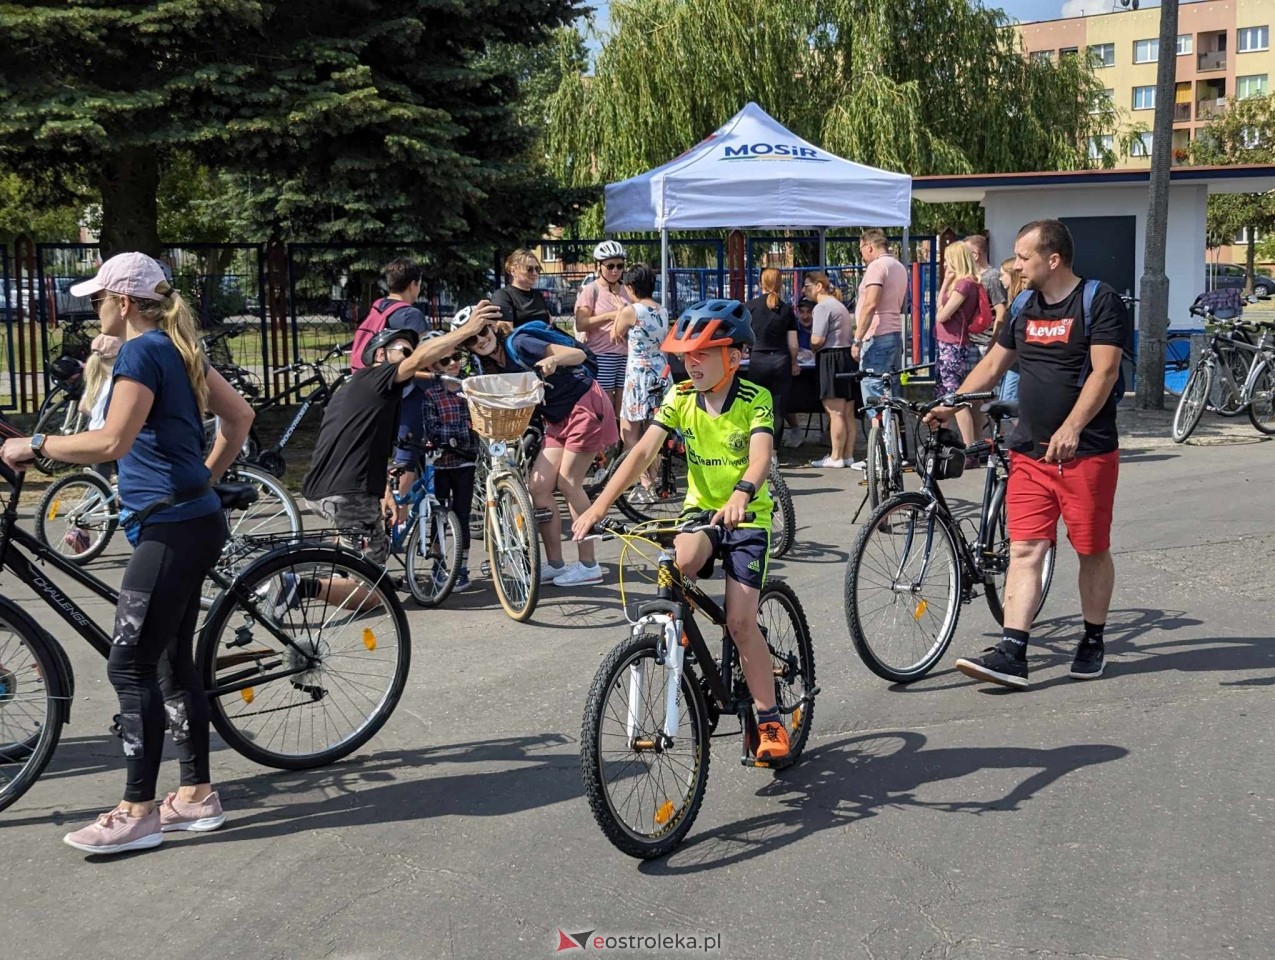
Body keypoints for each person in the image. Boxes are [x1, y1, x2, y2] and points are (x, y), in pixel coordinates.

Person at [1, 251, 255, 855]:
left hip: (171, 529)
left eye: (96, 301)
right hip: (186, 520)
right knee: (169, 661)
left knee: (131, 665)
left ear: (121, 302)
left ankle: (138, 811)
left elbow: (111, 440)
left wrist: (34, 444)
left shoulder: (145, 351)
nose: (92, 311)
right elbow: (240, 418)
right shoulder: (173, 347)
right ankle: (196, 796)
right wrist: (201, 484)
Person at [571, 299, 790, 762]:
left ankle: (769, 718)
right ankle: (681, 654)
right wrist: (596, 506)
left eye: (703, 354)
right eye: (686, 355)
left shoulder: (755, 399)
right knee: (678, 565)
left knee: (739, 619)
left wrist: (742, 493)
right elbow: (640, 455)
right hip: (701, 515)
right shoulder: (681, 397)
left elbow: (761, 456)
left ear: (733, 357)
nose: (691, 363)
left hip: (748, 517)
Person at [926, 219, 1132, 690]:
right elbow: (995, 364)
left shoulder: (1098, 301)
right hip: (1029, 453)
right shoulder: (1022, 304)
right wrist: (952, 401)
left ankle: (1093, 637)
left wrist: (1073, 427)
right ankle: (1013, 651)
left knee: (1091, 549)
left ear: (1052, 259)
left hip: (1087, 453)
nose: (1015, 265)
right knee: (1024, 547)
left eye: (1023, 257)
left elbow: (1104, 372)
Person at [303, 302, 500, 589]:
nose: (413, 358)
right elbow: (419, 360)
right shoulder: (377, 375)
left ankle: (344, 574)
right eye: (405, 351)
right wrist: (468, 331)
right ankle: (296, 585)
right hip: (347, 495)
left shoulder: (364, 392)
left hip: (324, 490)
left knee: (363, 561)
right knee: (371, 591)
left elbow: (369, 447)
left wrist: (385, 492)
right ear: (381, 355)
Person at [468, 316, 619, 586]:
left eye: (482, 332)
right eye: (471, 339)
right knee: (538, 486)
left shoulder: (521, 342)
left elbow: (577, 354)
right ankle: (556, 564)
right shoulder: (492, 366)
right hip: (555, 418)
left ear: (491, 326)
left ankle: (589, 565)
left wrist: (553, 360)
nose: (480, 340)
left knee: (569, 482)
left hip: (583, 404)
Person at [420, 347, 478, 593]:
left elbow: (476, 425)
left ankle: (461, 567)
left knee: (463, 515)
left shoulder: (469, 389)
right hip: (440, 465)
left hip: (465, 464)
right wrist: (460, 436)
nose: (454, 363)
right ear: (435, 367)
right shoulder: (431, 395)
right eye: (446, 360)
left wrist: (456, 437)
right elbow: (433, 429)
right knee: (438, 517)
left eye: (457, 358)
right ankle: (440, 564)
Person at [613, 264, 669, 500]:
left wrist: (619, 310)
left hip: (638, 375)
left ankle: (643, 482)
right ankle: (652, 482)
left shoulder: (631, 310)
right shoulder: (662, 310)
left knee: (629, 432)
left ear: (630, 286)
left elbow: (614, 335)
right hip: (661, 372)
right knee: (654, 432)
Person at [804, 271, 860, 469]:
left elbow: (817, 339)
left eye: (807, 286)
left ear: (818, 286)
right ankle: (848, 455)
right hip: (846, 357)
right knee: (848, 411)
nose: (805, 290)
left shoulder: (822, 307)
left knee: (835, 411)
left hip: (831, 358)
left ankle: (836, 456)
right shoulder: (840, 306)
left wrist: (810, 346)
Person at [850, 230, 908, 418]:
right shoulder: (898, 266)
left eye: (861, 249)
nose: (861, 255)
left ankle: (880, 441)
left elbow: (871, 303)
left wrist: (857, 339)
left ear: (869, 246)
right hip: (894, 334)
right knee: (892, 391)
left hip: (876, 336)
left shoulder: (877, 266)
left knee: (873, 393)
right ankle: (896, 440)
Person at [744, 268, 800, 452]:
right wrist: (793, 363)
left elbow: (743, 337)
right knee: (777, 410)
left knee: (756, 407)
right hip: (780, 361)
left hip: (758, 361)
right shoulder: (786, 310)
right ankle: (774, 453)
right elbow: (793, 344)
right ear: (780, 284)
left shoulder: (750, 307)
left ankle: (756, 449)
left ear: (761, 283)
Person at [574, 240, 632, 415]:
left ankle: (621, 440)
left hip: (626, 353)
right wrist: (610, 316)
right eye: (610, 266)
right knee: (604, 402)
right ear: (599, 266)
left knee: (623, 401)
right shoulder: (592, 290)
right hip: (602, 353)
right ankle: (606, 440)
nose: (615, 270)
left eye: (620, 266)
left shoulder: (626, 290)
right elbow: (581, 323)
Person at [933, 242, 982, 448]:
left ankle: (969, 446)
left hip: (953, 345)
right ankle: (945, 440)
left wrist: (941, 308)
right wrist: (945, 282)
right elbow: (939, 305)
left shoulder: (964, 285)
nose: (945, 265)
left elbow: (942, 314)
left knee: (955, 397)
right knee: (945, 394)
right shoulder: (962, 283)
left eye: (947, 260)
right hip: (948, 343)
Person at [490, 248, 553, 328]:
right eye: (529, 269)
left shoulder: (538, 295)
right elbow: (505, 332)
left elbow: (550, 324)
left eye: (537, 269)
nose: (535, 273)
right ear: (513, 271)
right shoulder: (503, 296)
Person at [998, 257, 1025, 403]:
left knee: (1009, 402)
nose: (1001, 279)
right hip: (1012, 363)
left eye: (1003, 275)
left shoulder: (1021, 301)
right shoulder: (1015, 300)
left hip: (1016, 363)